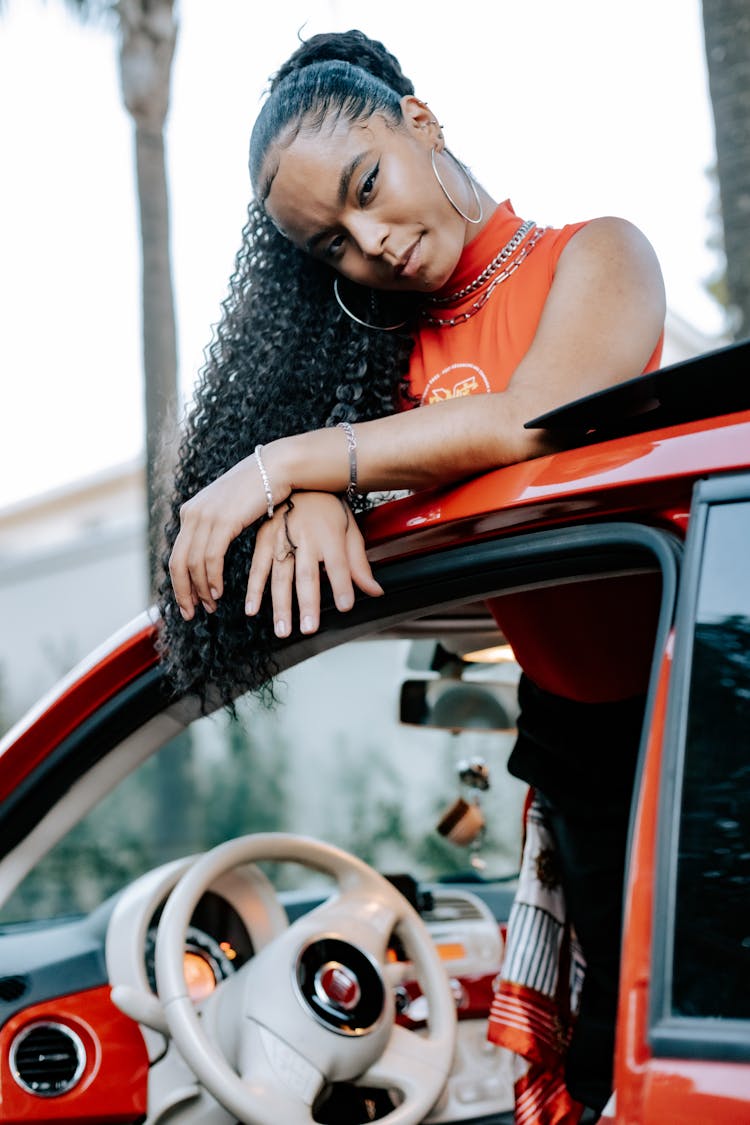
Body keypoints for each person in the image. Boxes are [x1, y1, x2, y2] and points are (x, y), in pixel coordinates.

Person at [159, 29, 666, 1122]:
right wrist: (305, 495)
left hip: (695, 736)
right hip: (572, 744)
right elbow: (382, 464)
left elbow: (538, 417)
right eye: (332, 243)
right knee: (608, 1075)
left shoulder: (600, 255)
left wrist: (286, 465)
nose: (372, 243)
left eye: (367, 187)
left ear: (421, 123)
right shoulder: (377, 374)